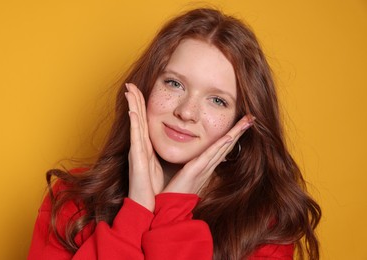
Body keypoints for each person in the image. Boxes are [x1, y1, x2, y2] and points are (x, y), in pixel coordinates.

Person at [28, 8, 321, 260]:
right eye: (174, 84)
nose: (187, 112)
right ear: (147, 86)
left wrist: (173, 214)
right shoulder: (71, 202)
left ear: (240, 123)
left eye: (217, 100)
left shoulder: (261, 228)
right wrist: (137, 211)